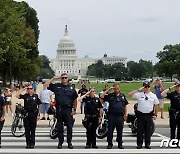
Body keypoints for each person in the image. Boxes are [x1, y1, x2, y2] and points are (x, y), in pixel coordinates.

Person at [43, 73, 78, 149]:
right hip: (59, 109)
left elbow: (75, 100)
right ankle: (60, 142)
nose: (64, 79)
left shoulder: (71, 88)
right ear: (61, 79)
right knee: (59, 128)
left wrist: (74, 109)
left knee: (69, 127)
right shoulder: (57, 86)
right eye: (62, 78)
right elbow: (45, 85)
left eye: (65, 78)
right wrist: (53, 78)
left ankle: (69, 142)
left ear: (68, 79)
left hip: (68, 110)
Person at [128, 81, 159, 149]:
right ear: (143, 87)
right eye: (145, 86)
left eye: (148, 86)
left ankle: (147, 144)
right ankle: (139, 144)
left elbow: (156, 105)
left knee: (148, 131)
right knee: (139, 130)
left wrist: (156, 114)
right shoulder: (139, 94)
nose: (147, 88)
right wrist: (139, 90)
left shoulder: (153, 95)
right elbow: (129, 94)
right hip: (140, 115)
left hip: (149, 115)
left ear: (150, 87)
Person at [100, 83, 128, 149]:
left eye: (117, 88)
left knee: (120, 131)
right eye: (115, 88)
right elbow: (101, 96)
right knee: (110, 131)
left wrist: (125, 114)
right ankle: (110, 144)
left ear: (119, 88)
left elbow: (125, 105)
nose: (116, 90)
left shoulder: (122, 96)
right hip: (111, 116)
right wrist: (108, 89)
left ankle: (120, 143)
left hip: (120, 116)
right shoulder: (110, 95)